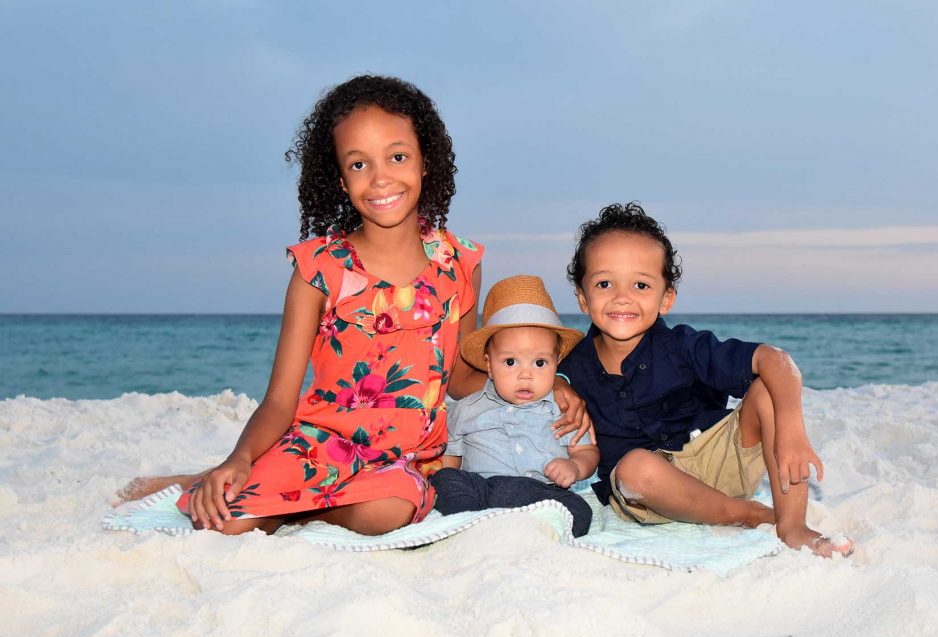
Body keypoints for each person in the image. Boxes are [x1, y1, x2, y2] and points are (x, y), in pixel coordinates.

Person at [114, 75, 591, 536]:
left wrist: (548, 382)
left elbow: (463, 378)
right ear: (341, 179)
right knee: (226, 522)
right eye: (359, 164)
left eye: (398, 156)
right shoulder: (318, 268)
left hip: (410, 459)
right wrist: (238, 458)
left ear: (425, 162)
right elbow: (281, 400)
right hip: (324, 443)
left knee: (389, 511)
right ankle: (225, 481)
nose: (381, 178)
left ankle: (291, 511)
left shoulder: (459, 261)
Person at [558, 202, 854, 557]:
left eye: (641, 284)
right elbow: (520, 374)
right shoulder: (572, 366)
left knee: (766, 390)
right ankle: (749, 515)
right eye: (605, 283)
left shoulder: (683, 345)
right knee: (635, 469)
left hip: (718, 462)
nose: (623, 297)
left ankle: (792, 526)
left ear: (666, 298)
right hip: (650, 491)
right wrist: (558, 381)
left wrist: (791, 430)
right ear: (582, 297)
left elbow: (775, 360)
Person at [431, 275, 599, 537]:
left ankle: (518, 529)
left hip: (539, 491)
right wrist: (448, 477)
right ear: (489, 364)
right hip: (482, 489)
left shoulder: (562, 409)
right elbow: (451, 458)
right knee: (445, 480)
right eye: (510, 362)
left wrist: (575, 467)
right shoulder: (467, 408)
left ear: (557, 363)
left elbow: (587, 452)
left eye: (540, 363)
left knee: (577, 510)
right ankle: (468, 524)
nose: (525, 375)